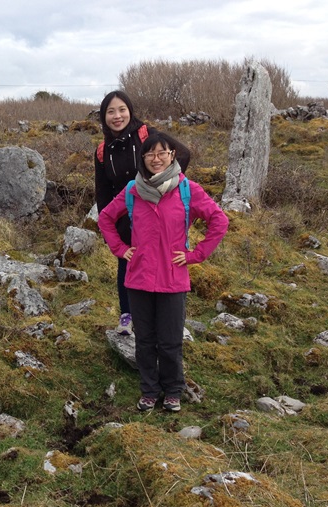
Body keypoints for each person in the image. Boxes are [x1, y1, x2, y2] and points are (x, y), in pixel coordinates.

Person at [97, 131, 228, 412]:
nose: (156, 159)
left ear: (172, 155)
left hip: (173, 278)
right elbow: (106, 218)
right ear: (143, 158)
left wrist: (196, 255)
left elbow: (219, 220)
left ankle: (173, 391)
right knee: (144, 342)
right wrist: (121, 250)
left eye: (162, 153)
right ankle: (149, 390)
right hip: (139, 278)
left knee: (169, 342)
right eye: (150, 154)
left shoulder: (187, 189)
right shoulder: (133, 189)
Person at [94, 91, 191, 336]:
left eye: (122, 109)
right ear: (104, 117)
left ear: (130, 110)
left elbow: (183, 154)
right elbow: (103, 192)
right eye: (111, 111)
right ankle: (127, 315)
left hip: (155, 211)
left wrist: (166, 188)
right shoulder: (103, 151)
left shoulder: (147, 134)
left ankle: (164, 317)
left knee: (161, 261)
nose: (117, 116)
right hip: (126, 217)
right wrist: (110, 232)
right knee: (127, 263)